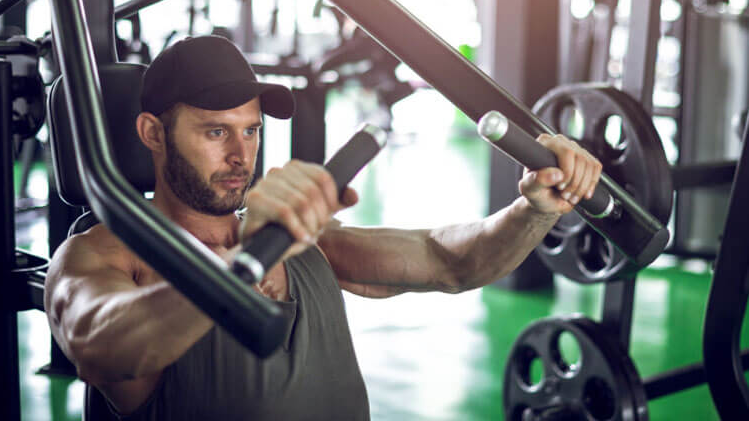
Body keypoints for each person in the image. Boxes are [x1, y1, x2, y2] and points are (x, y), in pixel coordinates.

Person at [44, 36, 602, 420]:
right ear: (152, 133)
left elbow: (448, 260)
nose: (242, 156)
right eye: (216, 133)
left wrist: (535, 207)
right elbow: (100, 345)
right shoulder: (103, 255)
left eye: (252, 131)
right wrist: (245, 262)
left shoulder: (303, 238)